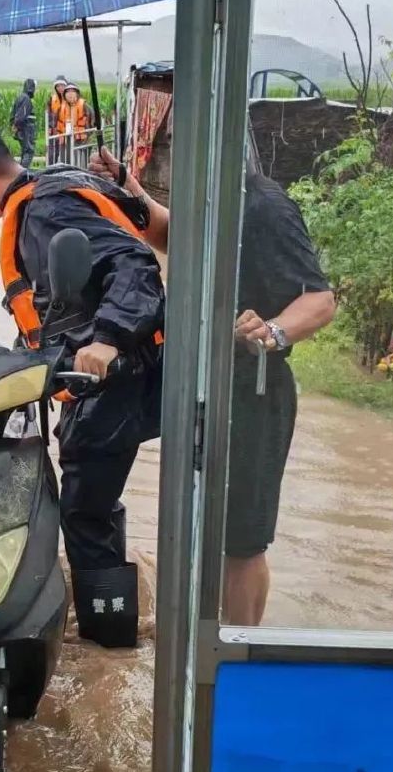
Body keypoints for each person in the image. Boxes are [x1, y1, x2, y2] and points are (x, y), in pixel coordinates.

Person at [0, 117, 165, 649]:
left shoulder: (44, 209)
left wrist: (108, 338)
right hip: (114, 372)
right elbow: (60, 304)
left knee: (81, 508)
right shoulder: (57, 186)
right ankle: (115, 599)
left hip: (119, 374)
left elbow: (132, 263)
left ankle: (109, 642)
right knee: (94, 492)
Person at [89, 146, 335, 627]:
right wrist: (129, 189)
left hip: (252, 393)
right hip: (198, 388)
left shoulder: (264, 207)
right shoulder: (212, 204)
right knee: (203, 528)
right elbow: (175, 235)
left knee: (241, 542)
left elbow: (321, 300)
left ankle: (236, 657)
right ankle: (205, 642)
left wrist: (273, 331)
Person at [10, 78, 37, 169]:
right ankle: (23, 173)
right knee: (28, 151)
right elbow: (21, 116)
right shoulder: (26, 99)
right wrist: (16, 126)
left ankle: (21, 172)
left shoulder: (21, 97)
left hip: (23, 128)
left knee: (25, 151)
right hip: (26, 129)